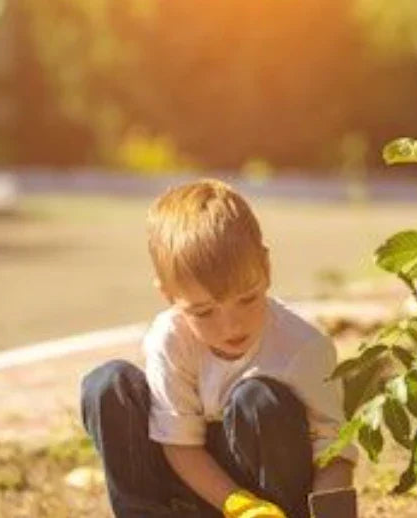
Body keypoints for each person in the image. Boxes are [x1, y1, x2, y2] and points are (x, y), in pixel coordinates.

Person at [80, 179, 358, 517]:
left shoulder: (303, 348)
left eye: (247, 299)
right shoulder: (170, 339)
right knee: (108, 384)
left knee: (258, 398)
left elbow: (334, 452)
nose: (232, 326)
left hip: (271, 500)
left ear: (266, 269)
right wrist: (238, 505)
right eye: (204, 312)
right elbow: (180, 445)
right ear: (168, 295)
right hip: (203, 491)